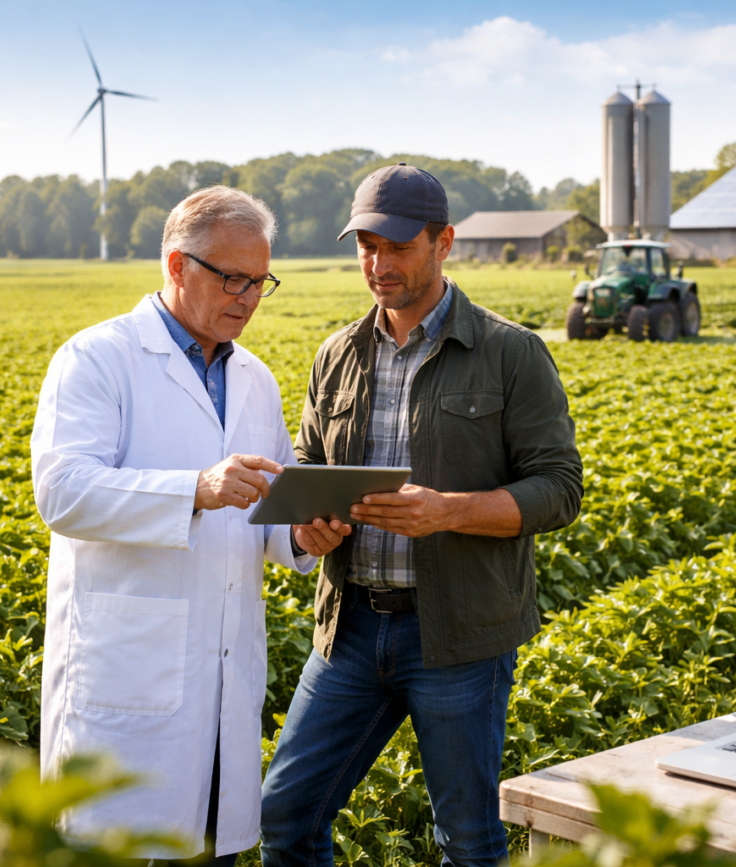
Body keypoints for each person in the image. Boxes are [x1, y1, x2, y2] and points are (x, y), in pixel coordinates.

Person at [259, 164, 583, 867]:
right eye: (366, 246)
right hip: (349, 628)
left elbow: (559, 489)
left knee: (466, 840)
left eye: (398, 245)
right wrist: (305, 526)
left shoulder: (510, 353)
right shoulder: (337, 354)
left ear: (445, 243)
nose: (378, 264)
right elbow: (311, 470)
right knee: (285, 816)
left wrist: (448, 512)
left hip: (460, 636)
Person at [31, 186, 350, 863]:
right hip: (126, 684)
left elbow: (268, 508)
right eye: (232, 277)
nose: (247, 297)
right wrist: (194, 490)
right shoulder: (96, 359)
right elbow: (62, 492)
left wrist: (300, 534)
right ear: (177, 266)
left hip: (222, 682)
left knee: (214, 845)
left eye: (260, 282)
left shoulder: (256, 378)